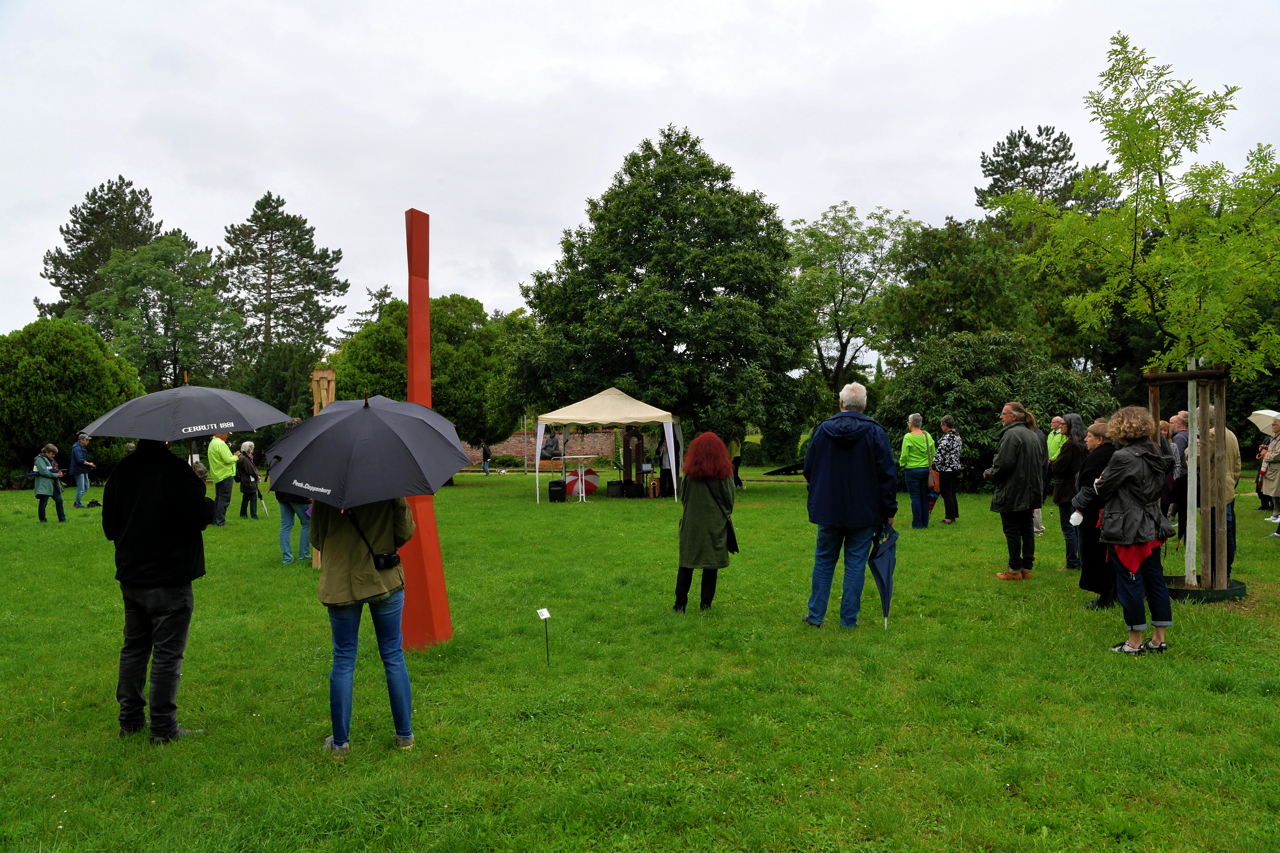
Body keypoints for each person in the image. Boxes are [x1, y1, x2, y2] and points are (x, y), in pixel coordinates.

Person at [103, 439, 216, 742]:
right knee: (167, 653)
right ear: (166, 439)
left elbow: (110, 527)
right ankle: (163, 727)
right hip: (168, 575)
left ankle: (130, 720)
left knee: (135, 648)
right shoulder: (174, 470)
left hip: (132, 574)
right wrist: (199, 489)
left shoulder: (122, 471)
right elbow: (203, 514)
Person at [312, 497, 417, 757]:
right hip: (384, 577)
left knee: (344, 659)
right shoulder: (389, 486)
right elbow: (405, 531)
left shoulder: (326, 489)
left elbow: (316, 539)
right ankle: (404, 736)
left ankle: (340, 744)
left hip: (340, 581)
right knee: (393, 654)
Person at [1072, 407, 1175, 654]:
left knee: (1130, 580)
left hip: (1127, 526)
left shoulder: (1123, 456)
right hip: (1152, 521)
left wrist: (1100, 482)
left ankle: (1134, 642)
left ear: (1119, 428)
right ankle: (1159, 639)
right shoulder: (1155, 450)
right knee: (1155, 580)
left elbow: (1102, 489)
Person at [802, 382, 897, 628]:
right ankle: (848, 619)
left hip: (829, 507)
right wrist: (889, 511)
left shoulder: (823, 430)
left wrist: (817, 495)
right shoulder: (874, 432)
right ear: (864, 405)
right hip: (863, 510)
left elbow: (808, 469)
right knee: (855, 563)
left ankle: (816, 616)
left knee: (824, 560)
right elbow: (887, 474)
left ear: (841, 403)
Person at [672, 432, 735, 612]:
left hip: (691, 524)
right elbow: (729, 500)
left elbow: (684, 498)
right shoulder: (725, 474)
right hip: (714, 524)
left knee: (686, 563)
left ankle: (679, 605)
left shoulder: (689, 474)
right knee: (711, 565)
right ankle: (705, 605)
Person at [985, 402, 1046, 580]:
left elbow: (1003, 464)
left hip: (1014, 490)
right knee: (1027, 529)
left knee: (1012, 529)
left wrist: (988, 473)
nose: (1000, 417)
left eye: (1004, 414)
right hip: (1030, 489)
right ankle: (1026, 568)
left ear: (1014, 417)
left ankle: (1014, 569)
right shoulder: (1032, 434)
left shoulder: (1012, 434)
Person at [1072, 422, 1119, 609]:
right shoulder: (1105, 454)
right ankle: (1109, 593)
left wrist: (1078, 505)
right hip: (1101, 510)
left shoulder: (1102, 457)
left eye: (1089, 436)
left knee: (1097, 553)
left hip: (1096, 512)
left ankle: (1105, 595)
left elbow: (1091, 486)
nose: (1085, 439)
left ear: (1100, 440)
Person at [1050, 414, 1088, 572]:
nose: (1060, 426)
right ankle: (1080, 560)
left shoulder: (1070, 445)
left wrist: (1054, 462)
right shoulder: (1084, 444)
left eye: (1064, 424)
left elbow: (1058, 467)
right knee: (1078, 526)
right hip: (1080, 489)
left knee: (1069, 526)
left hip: (1067, 489)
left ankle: (1072, 562)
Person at [899, 413, 935, 529]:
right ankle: (925, 523)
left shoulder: (908, 437)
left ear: (911, 423)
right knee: (924, 497)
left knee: (915, 497)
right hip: (926, 470)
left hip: (912, 470)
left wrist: (902, 465)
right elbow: (933, 453)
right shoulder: (927, 436)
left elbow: (904, 455)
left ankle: (917, 524)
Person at [207, 431, 239, 527]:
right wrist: (236, 456)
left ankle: (214, 519)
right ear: (222, 433)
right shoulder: (220, 444)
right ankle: (220, 521)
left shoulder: (212, 443)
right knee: (224, 498)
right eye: (227, 433)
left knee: (218, 498)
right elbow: (227, 459)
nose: (228, 435)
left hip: (218, 474)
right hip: (225, 473)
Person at [935, 416, 962, 524]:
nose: (941, 427)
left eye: (942, 425)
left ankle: (949, 517)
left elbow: (939, 454)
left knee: (946, 493)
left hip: (946, 469)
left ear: (945, 425)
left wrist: (934, 465)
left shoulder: (947, 438)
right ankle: (954, 514)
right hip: (955, 467)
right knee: (951, 492)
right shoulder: (957, 436)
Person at [34, 443, 68, 523]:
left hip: (53, 484)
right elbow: (43, 472)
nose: (54, 456)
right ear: (47, 452)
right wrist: (56, 475)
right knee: (43, 502)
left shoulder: (51, 460)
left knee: (59, 500)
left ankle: (62, 519)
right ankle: (43, 520)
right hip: (44, 484)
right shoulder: (39, 459)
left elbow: (53, 470)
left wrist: (59, 473)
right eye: (52, 454)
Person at [1169, 412, 1190, 538]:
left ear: (1179, 424)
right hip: (1188, 473)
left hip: (1182, 474)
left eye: (1171, 423)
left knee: (1182, 504)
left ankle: (1182, 533)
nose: (1170, 425)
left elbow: (1177, 457)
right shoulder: (1189, 435)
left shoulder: (1179, 438)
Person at [1261, 419, 1280, 535]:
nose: (1272, 426)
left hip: (1277, 469)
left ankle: (1278, 514)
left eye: (1274, 424)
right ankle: (1275, 513)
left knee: (1277, 492)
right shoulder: (1275, 438)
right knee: (1274, 492)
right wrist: (1266, 447)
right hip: (1273, 469)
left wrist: (1265, 454)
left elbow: (1277, 454)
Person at [70, 433, 96, 508]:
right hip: (78, 470)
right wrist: (89, 464)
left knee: (86, 486)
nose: (88, 441)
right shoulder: (77, 448)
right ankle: (77, 503)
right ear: (81, 440)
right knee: (81, 487)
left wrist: (88, 466)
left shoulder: (81, 448)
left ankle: (77, 501)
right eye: (86, 440)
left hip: (83, 469)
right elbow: (80, 460)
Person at [237, 441, 260, 520]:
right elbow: (251, 470)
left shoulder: (243, 457)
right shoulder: (245, 458)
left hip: (245, 481)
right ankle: (254, 515)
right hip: (248, 481)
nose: (253, 449)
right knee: (253, 498)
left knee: (246, 498)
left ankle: (243, 514)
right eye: (252, 447)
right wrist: (257, 476)